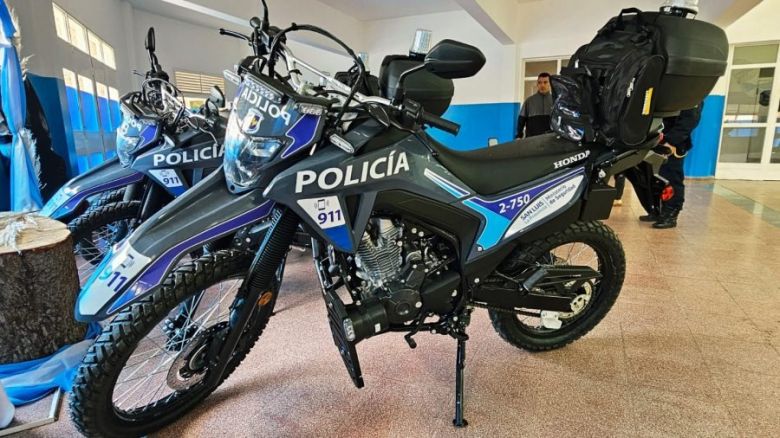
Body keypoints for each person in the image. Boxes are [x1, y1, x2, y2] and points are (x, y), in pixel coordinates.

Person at [640, 102, 703, 229]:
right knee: (655, 179)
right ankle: (658, 211)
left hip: (673, 143)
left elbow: (690, 120)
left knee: (671, 178)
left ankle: (671, 213)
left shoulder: (691, 94)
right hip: (657, 140)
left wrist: (671, 141)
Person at [517, 72, 553, 138]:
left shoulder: (555, 101)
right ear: (537, 84)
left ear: (550, 84)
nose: (542, 85)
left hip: (550, 139)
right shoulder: (529, 101)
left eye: (545, 82)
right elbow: (521, 120)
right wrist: (519, 136)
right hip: (532, 139)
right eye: (539, 82)